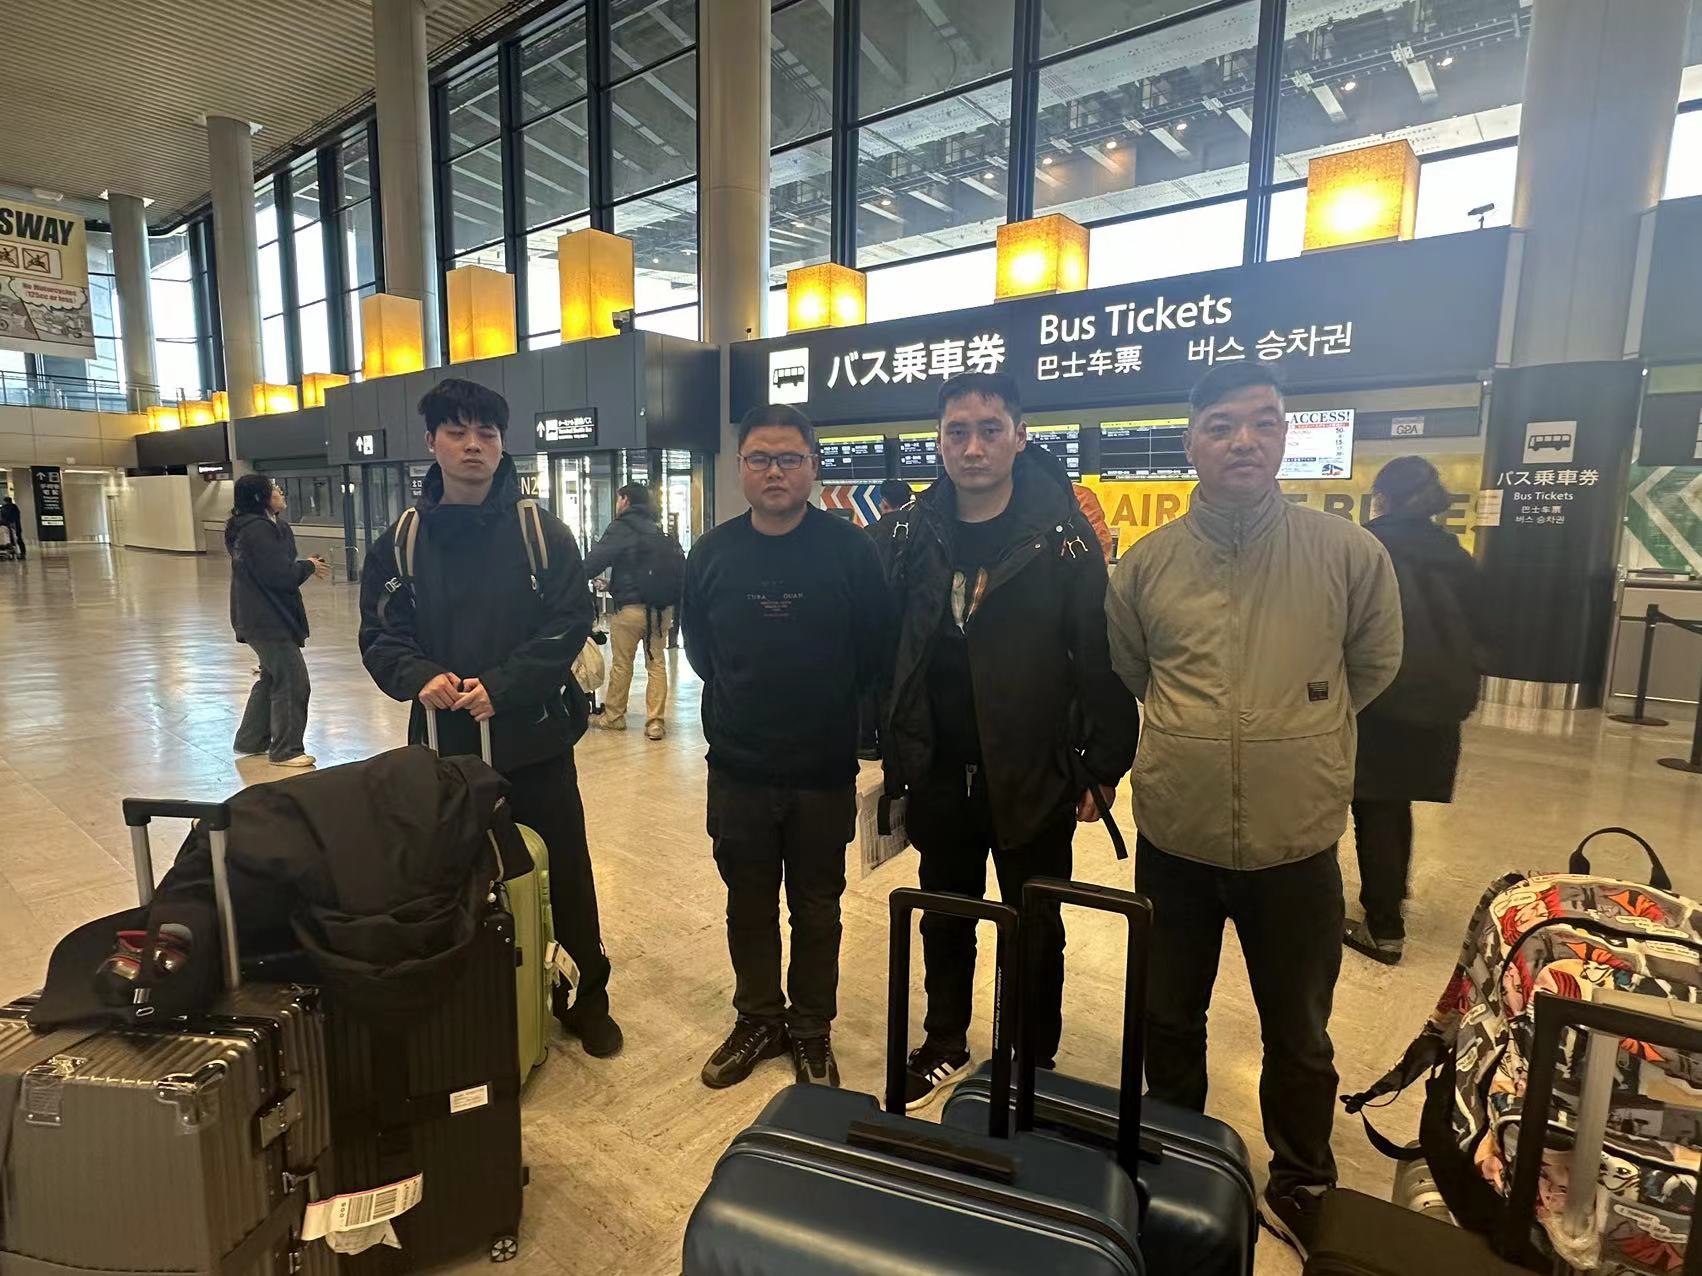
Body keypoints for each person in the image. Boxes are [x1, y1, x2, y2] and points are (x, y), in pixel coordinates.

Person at [1105, 362, 1402, 1257]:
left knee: (1300, 1031)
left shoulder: (1347, 553)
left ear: (1284, 436)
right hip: (1178, 834)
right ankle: (1176, 1160)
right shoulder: (1146, 565)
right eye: (1223, 425)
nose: (1245, 441)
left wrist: (1296, 734)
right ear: (1191, 441)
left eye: (1264, 423)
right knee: (1167, 1017)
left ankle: (1302, 1176)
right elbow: (1134, 670)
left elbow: (1373, 664)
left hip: (1295, 840)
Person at [881, 371, 1141, 1110]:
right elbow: (890, 648)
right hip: (942, 769)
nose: (973, 447)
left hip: (1035, 771)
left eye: (990, 430)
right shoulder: (913, 532)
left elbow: (1097, 655)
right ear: (939, 441)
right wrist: (895, 749)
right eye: (957, 432)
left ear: (1020, 437)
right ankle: (944, 1040)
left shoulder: (1063, 537)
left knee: (1035, 923)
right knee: (946, 913)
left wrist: (1103, 763)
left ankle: (1032, 1054)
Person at [358, 377, 622, 1058]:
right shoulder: (402, 541)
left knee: (563, 870)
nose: (473, 445)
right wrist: (419, 676)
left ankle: (585, 995)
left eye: (487, 433)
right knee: (446, 873)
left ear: (503, 444)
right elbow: (381, 633)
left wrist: (502, 687)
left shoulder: (540, 533)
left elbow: (568, 622)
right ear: (432, 442)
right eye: (457, 432)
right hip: (443, 747)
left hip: (533, 740)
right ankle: (459, 993)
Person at [682, 404, 890, 1091]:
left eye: (790, 459)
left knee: (817, 907)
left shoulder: (850, 550)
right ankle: (758, 1018)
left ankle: (810, 1028)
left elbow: (874, 649)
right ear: (741, 468)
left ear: (814, 466)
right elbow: (701, 652)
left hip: (821, 768)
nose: (775, 472)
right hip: (738, 767)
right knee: (747, 903)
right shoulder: (713, 552)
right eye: (761, 459)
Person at [1346, 456, 1488, 966]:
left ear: (1381, 498)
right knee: (1390, 803)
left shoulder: (1364, 547)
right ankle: (1387, 903)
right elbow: (1482, 631)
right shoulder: (1457, 555)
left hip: (1374, 698)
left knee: (1363, 803)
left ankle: (1383, 926)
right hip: (1437, 703)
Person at [227, 474, 328, 767]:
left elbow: (278, 565)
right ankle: (286, 750)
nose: (280, 492)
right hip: (267, 619)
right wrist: (307, 566)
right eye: (273, 489)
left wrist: (302, 563)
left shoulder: (265, 527)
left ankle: (251, 740)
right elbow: (280, 576)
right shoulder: (257, 530)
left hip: (263, 616)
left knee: (272, 677)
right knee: (293, 681)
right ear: (261, 498)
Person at [582, 481, 681, 740]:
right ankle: (655, 723)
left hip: (630, 611)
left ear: (625, 500)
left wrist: (569, 578)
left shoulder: (621, 527)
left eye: (618, 499)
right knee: (656, 663)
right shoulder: (655, 528)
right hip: (659, 610)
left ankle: (614, 717)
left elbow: (593, 562)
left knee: (622, 664)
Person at [857, 478, 913, 759]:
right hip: (911, 622)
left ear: (882, 502)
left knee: (870, 681)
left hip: (875, 619)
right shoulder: (921, 531)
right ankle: (896, 745)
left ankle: (867, 742)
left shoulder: (868, 534)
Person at [1, 495, 24, 560]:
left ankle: (12, 554)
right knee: (19, 540)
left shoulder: (4, 508)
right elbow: (16, 516)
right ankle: (22, 553)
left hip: (8, 526)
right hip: (16, 526)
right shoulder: (15, 507)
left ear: (5, 501)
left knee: (10, 541)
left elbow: (3, 518)